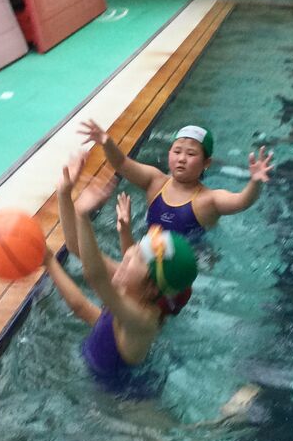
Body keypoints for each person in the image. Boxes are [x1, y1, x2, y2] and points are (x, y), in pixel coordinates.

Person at [42, 166, 197, 395]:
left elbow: (94, 275)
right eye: (136, 247)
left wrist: (83, 217)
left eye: (138, 256)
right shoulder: (129, 287)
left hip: (126, 399)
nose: (128, 253)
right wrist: (64, 195)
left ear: (152, 287)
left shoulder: (143, 321)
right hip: (97, 374)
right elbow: (76, 252)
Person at [78, 119, 274, 243]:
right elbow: (121, 163)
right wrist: (106, 142)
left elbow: (241, 201)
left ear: (206, 163)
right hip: (151, 246)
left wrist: (255, 182)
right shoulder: (155, 181)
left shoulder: (208, 200)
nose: (181, 159)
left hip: (194, 254)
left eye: (191, 154)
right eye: (177, 151)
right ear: (169, 153)